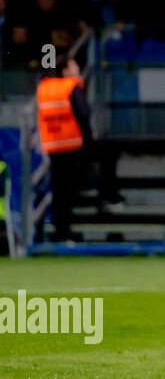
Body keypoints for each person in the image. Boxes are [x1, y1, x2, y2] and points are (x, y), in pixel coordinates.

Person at [37, 56, 122, 242]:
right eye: (74, 64)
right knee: (109, 150)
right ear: (66, 70)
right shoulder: (71, 86)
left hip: (54, 146)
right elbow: (83, 114)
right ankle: (109, 196)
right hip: (74, 145)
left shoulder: (45, 88)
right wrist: (89, 139)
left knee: (60, 192)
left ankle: (63, 234)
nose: (77, 67)